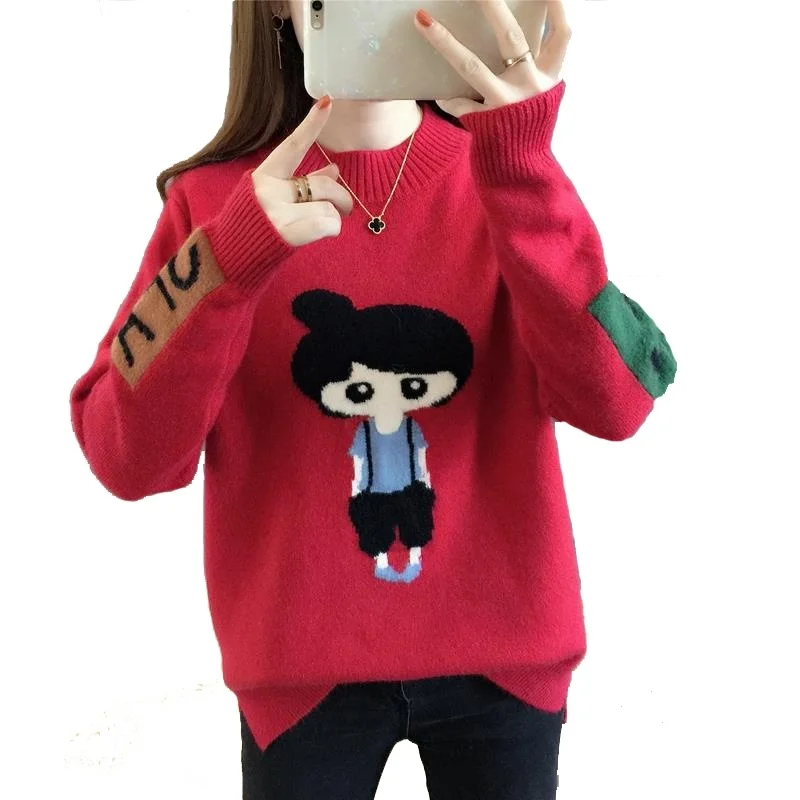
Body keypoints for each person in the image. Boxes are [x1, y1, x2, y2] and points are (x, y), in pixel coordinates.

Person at [69, 1, 677, 798]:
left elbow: (621, 401)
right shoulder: (216, 205)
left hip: (507, 662)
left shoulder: (504, 172)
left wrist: (524, 166)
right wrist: (230, 258)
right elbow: (124, 456)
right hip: (300, 674)